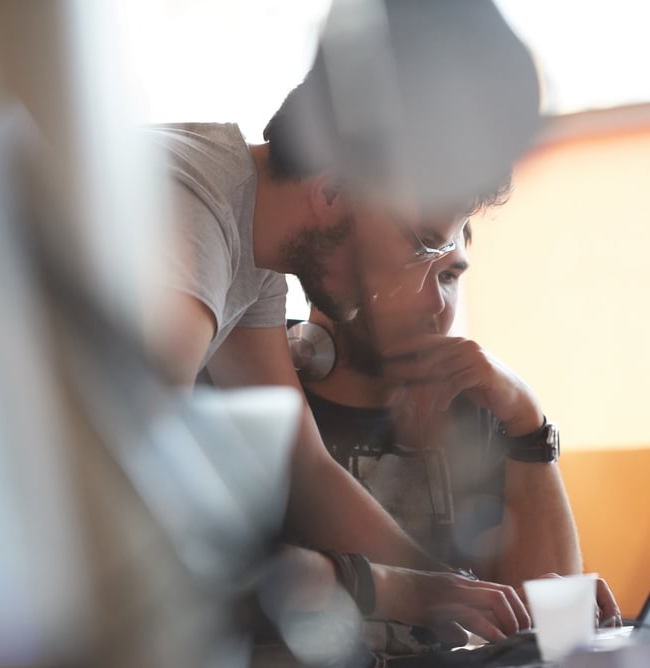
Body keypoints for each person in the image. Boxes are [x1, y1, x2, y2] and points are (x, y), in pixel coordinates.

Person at [140, 0, 544, 652]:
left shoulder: (256, 250)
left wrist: (455, 594)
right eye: (416, 244)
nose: (417, 287)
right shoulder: (192, 209)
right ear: (331, 191)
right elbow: (136, 472)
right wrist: (386, 587)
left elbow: (305, 473)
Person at [293, 222, 621, 656]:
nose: (435, 302)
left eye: (449, 276)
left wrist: (526, 419)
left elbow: (546, 635)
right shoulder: (261, 392)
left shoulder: (468, 410)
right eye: (411, 268)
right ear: (334, 274)